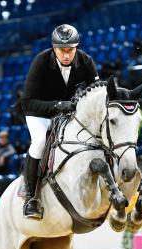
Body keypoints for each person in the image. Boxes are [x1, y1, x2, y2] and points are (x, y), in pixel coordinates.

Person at [19, 24, 99, 219]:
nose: (66, 55)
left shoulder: (86, 62)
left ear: (76, 47)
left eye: (70, 50)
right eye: (61, 50)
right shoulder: (41, 62)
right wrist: (57, 105)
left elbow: (97, 94)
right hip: (41, 115)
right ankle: (31, 198)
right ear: (54, 48)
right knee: (39, 143)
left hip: (70, 116)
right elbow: (27, 103)